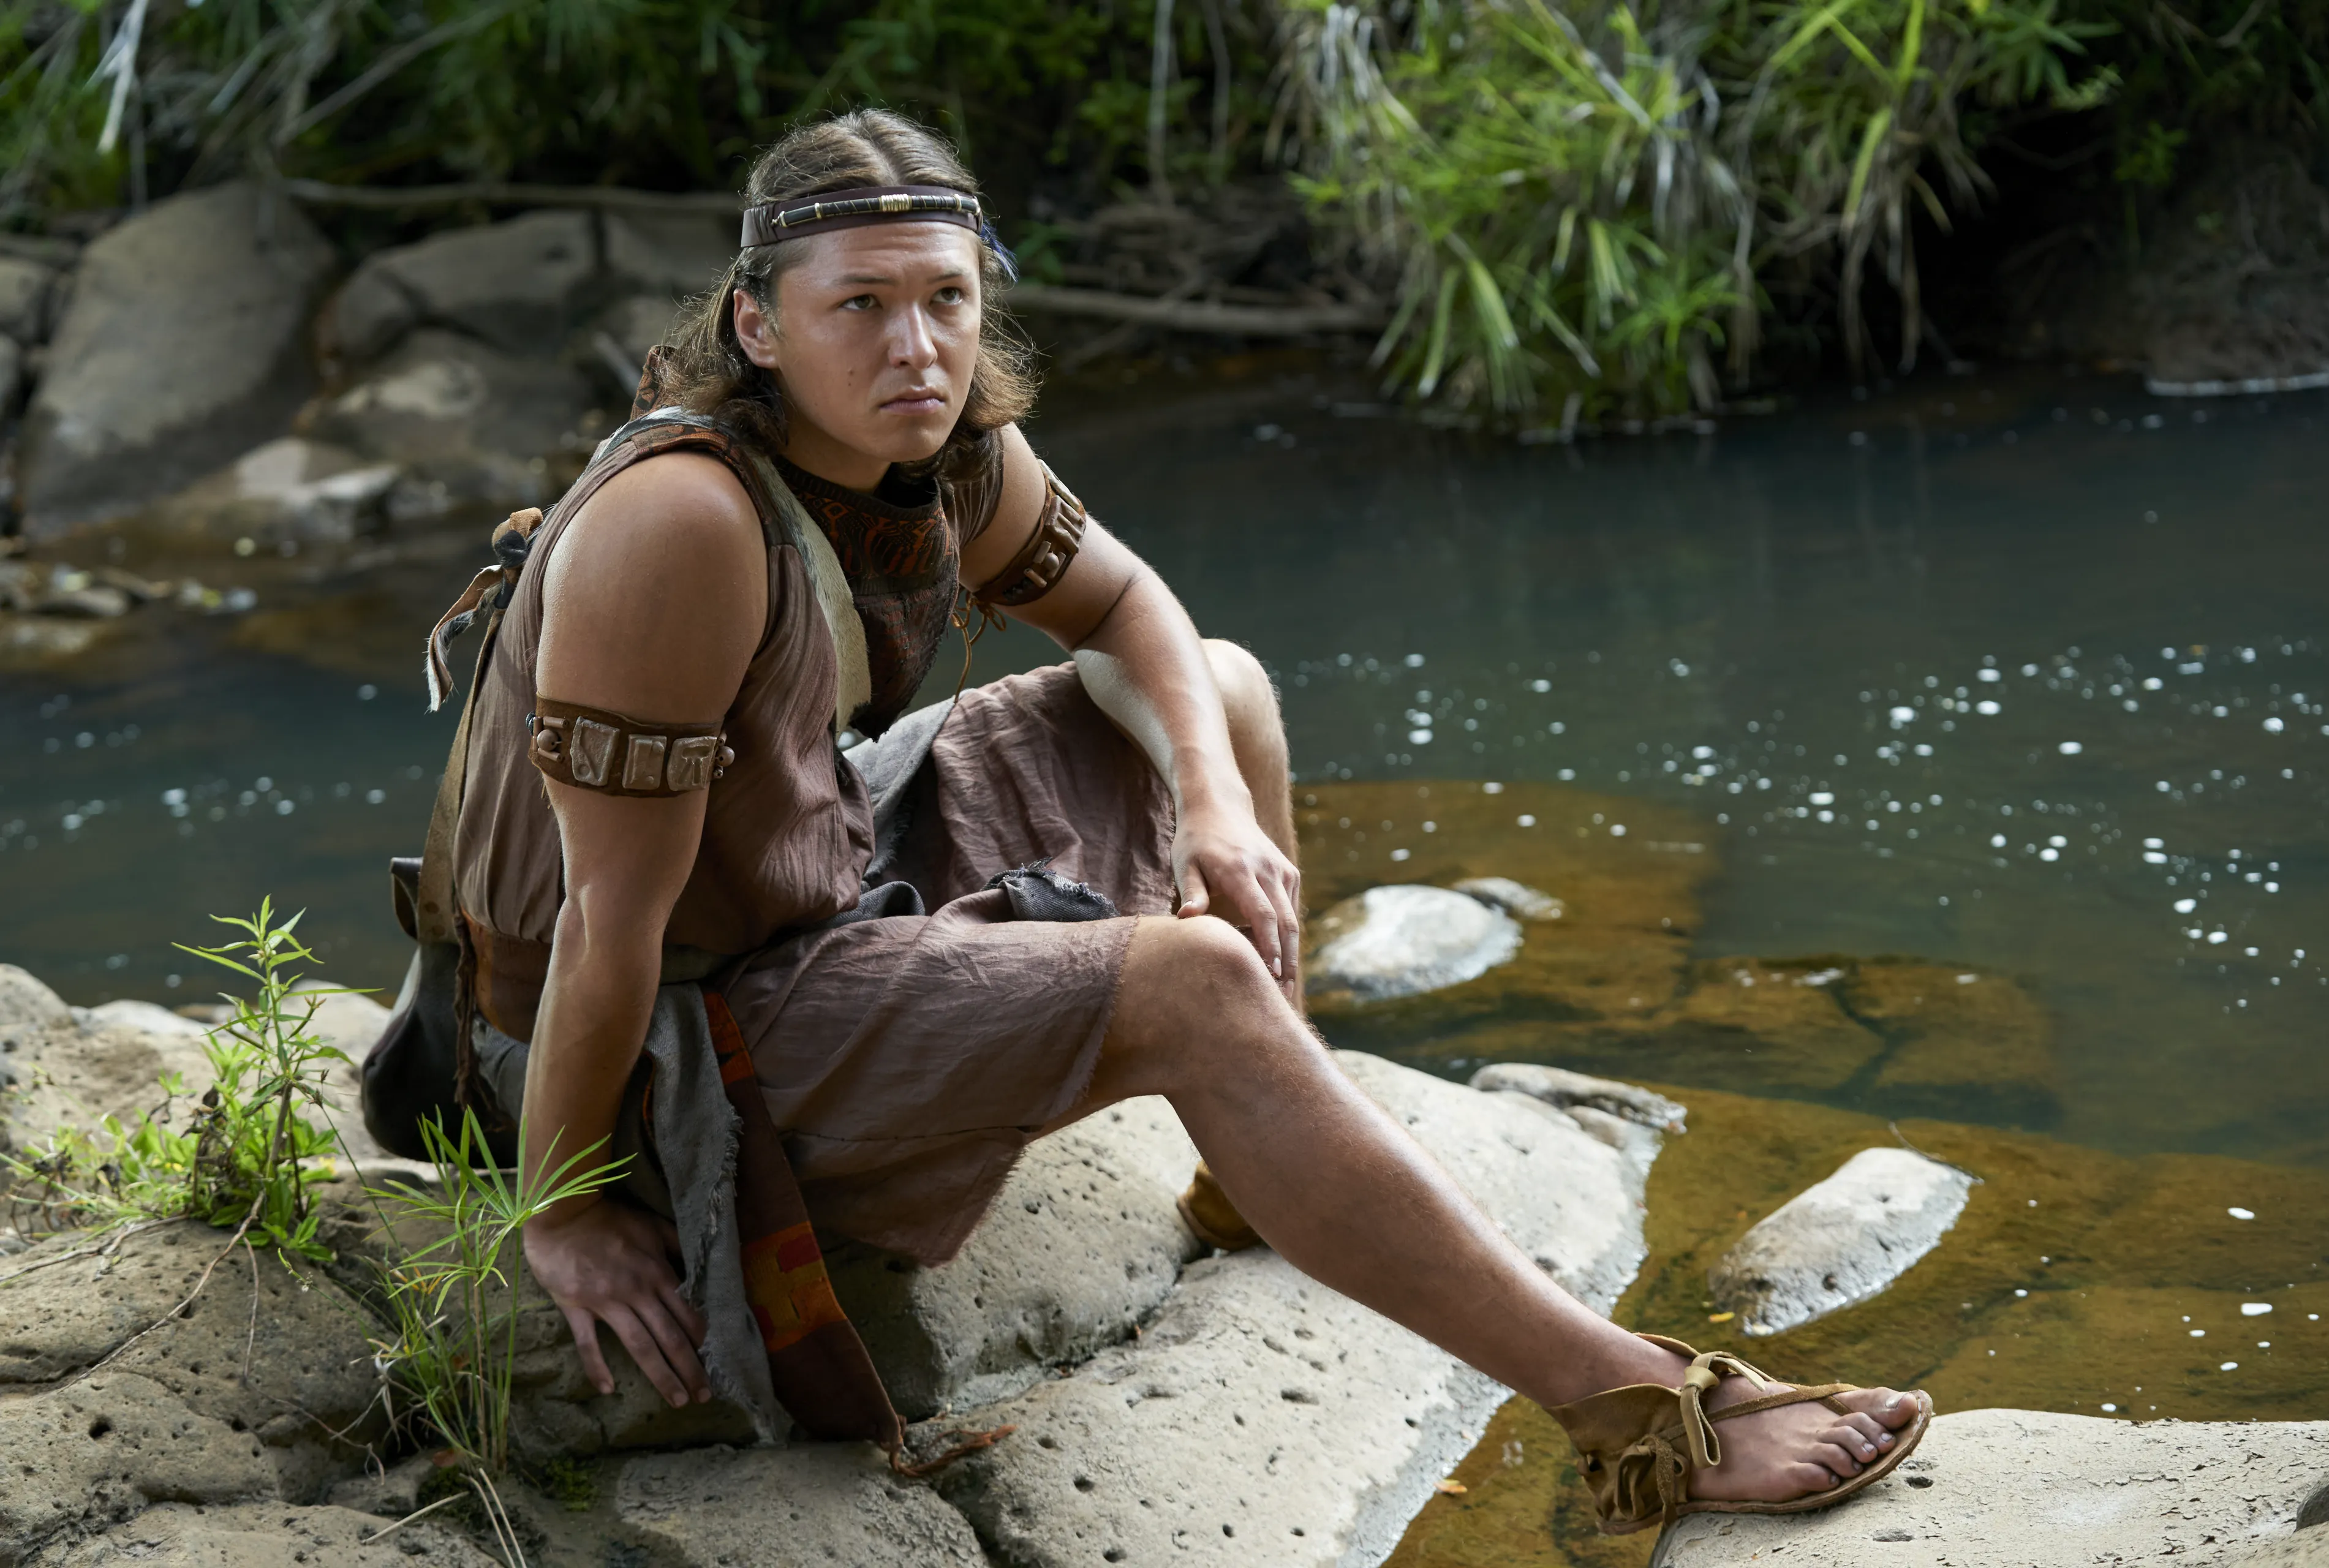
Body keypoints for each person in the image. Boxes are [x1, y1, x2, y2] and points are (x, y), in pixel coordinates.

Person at [448, 107, 1927, 1536]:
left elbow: (1135, 609)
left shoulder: (941, 444)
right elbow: (604, 923)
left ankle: (1270, 1155)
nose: (914, 345)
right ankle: (1635, 1409)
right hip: (645, 1035)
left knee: (1214, 691)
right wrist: (563, 1210)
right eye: (861, 306)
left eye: (947, 300)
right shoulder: (684, 520)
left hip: (809, 879)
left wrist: (1215, 807)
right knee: (1195, 982)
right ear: (758, 326)